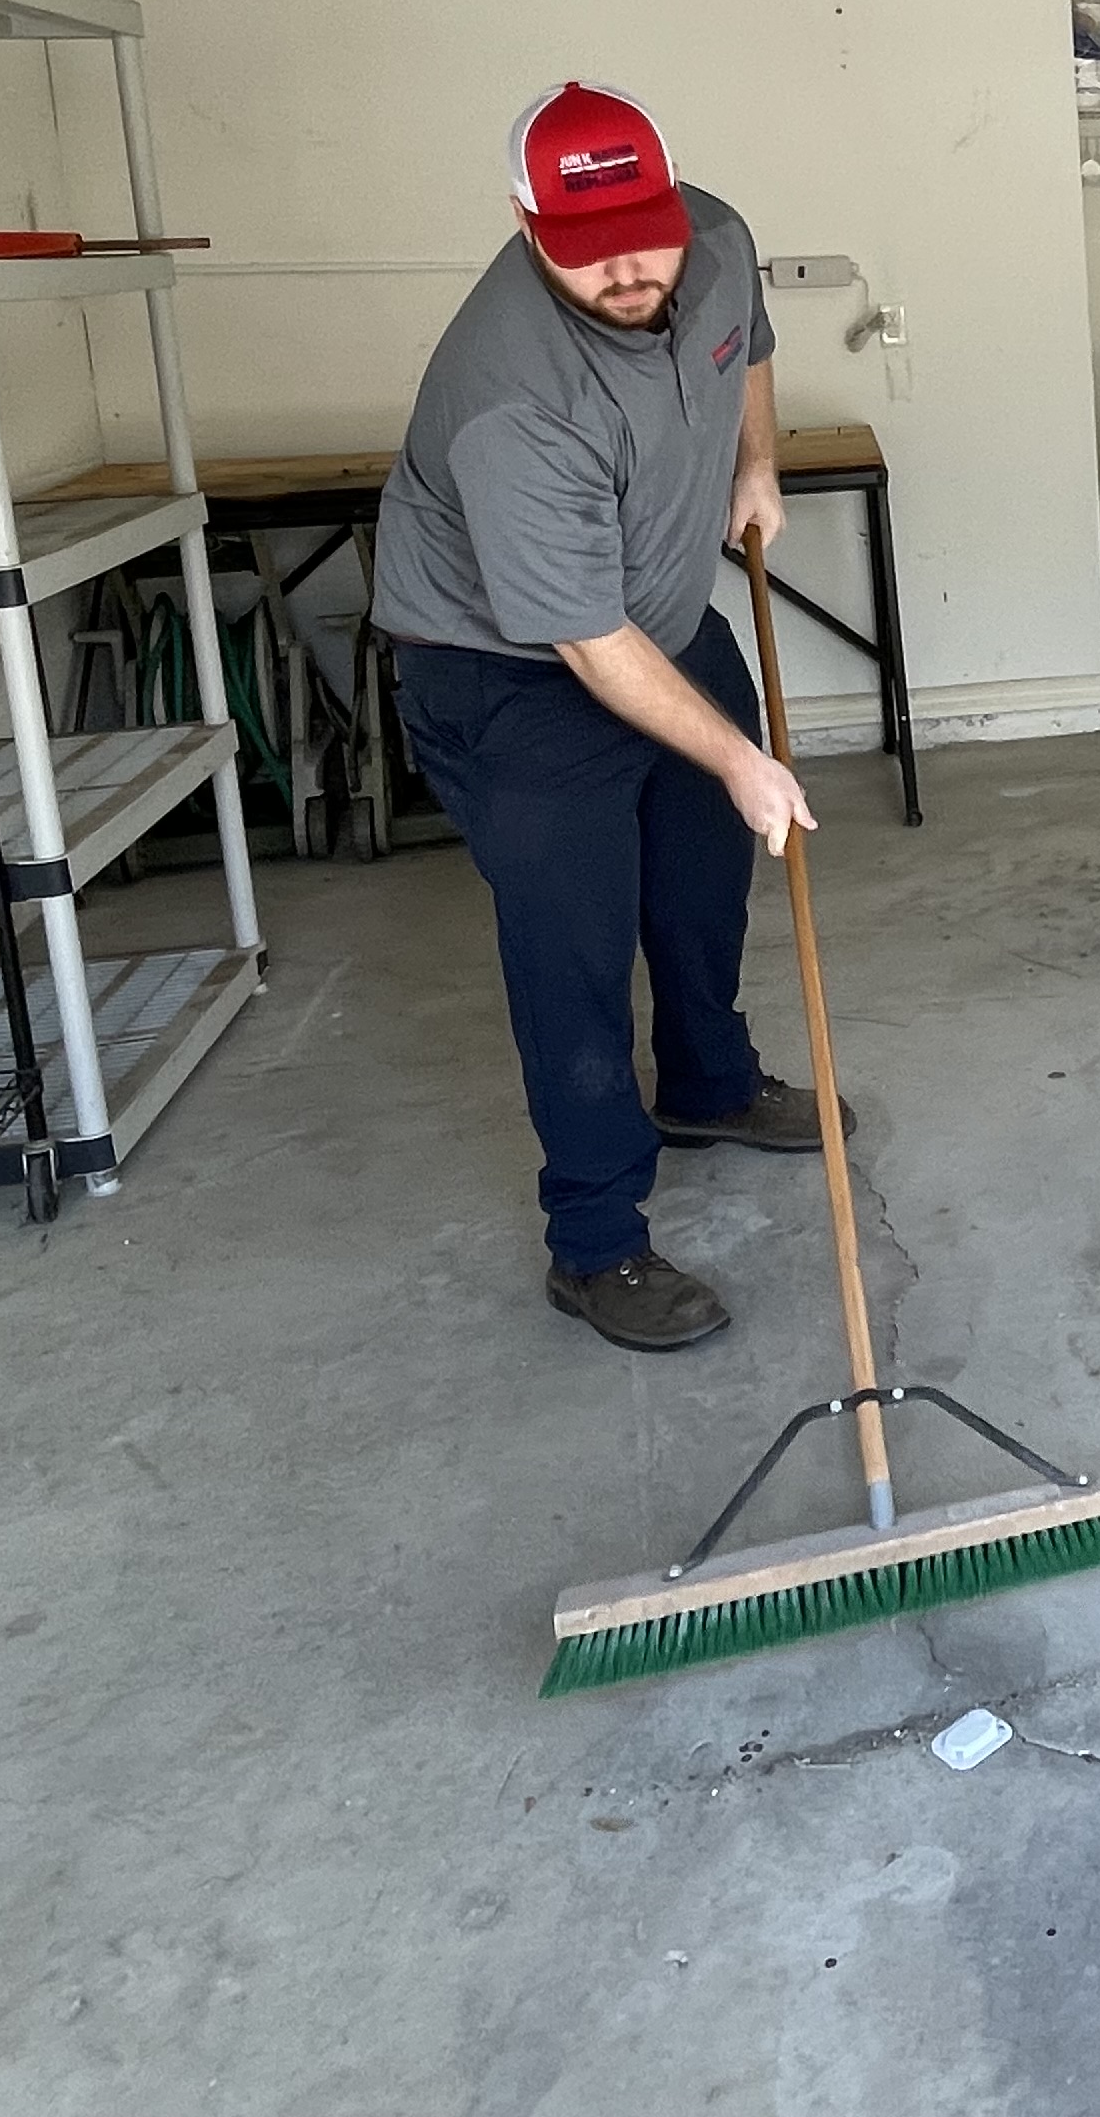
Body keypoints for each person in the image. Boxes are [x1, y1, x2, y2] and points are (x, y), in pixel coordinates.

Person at [374, 81, 856, 1354]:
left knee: (702, 884)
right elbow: (584, 642)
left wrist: (758, 463)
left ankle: (706, 1085)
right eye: (589, 256)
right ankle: (595, 1243)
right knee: (573, 951)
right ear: (527, 224)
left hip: (661, 609)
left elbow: (743, 342)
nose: (632, 272)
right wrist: (743, 759)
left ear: (671, 193)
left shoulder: (714, 236)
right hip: (510, 670)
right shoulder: (511, 396)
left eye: (646, 237)